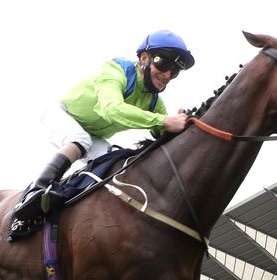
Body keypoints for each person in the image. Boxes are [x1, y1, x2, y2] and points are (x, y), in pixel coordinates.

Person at [12, 30, 195, 222]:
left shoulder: (154, 102)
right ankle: (36, 191)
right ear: (144, 58)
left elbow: (162, 133)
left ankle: (70, 204)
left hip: (93, 135)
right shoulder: (116, 69)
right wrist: (165, 121)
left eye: (174, 71)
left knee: (116, 166)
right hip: (62, 114)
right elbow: (111, 108)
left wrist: (181, 124)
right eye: (163, 63)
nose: (167, 74)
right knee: (81, 140)